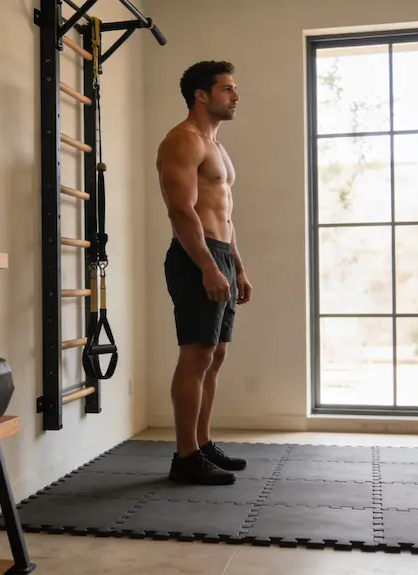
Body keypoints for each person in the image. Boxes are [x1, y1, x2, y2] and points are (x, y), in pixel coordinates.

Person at [155, 60, 253, 486]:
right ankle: (185, 456)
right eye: (227, 89)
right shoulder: (182, 141)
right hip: (195, 257)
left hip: (220, 255)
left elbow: (223, 215)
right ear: (201, 94)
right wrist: (209, 267)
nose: (235, 96)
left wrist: (237, 267)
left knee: (216, 357)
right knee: (196, 355)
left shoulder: (218, 148)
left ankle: (202, 441)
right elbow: (181, 212)